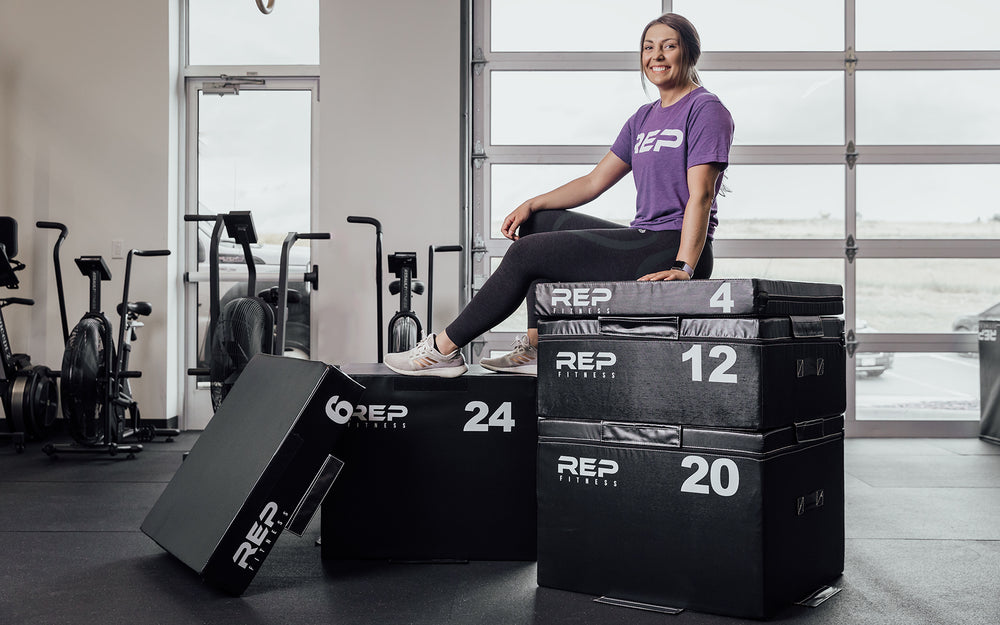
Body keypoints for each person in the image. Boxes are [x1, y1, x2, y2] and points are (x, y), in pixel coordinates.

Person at [385, 12, 734, 378]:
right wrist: (532, 203)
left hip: (671, 249)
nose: (656, 56)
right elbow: (593, 181)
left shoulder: (706, 110)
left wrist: (684, 268)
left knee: (526, 254)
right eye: (649, 48)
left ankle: (444, 349)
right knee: (538, 224)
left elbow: (702, 196)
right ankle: (537, 349)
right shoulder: (644, 118)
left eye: (668, 46)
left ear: (690, 53)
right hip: (646, 236)